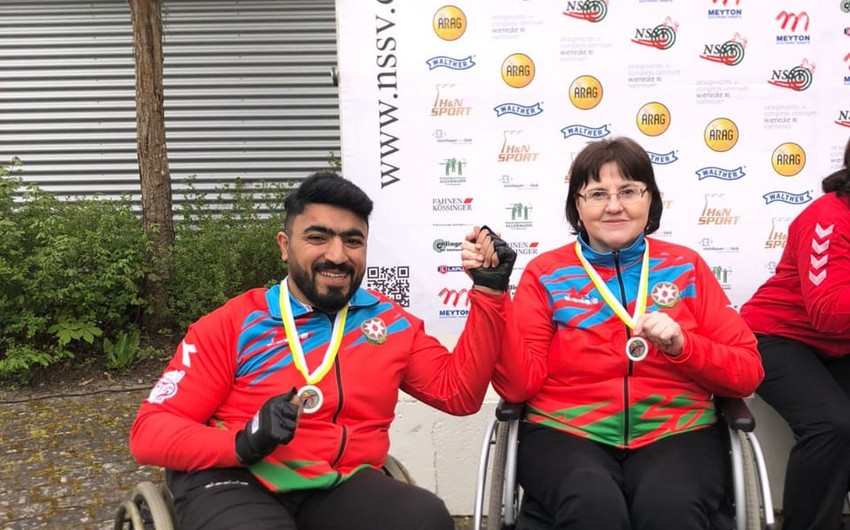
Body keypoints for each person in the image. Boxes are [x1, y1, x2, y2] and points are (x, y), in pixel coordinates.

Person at [129, 171, 516, 530]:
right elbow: (150, 432)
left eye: (353, 241)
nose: (337, 255)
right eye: (318, 238)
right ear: (285, 246)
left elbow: (459, 394)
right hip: (235, 476)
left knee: (424, 518)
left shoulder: (391, 324)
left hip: (334, 482)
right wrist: (243, 441)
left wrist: (489, 291)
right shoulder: (235, 323)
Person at [487, 136, 764, 530]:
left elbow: (747, 372)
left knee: (670, 508)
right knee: (592, 507)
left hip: (677, 430)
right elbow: (517, 387)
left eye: (629, 191)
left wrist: (683, 346)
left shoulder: (686, 267)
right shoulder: (546, 273)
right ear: (577, 205)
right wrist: (495, 298)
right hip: (566, 431)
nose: (614, 206)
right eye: (598, 194)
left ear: (650, 200)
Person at [739, 137, 850, 530]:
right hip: (776, 336)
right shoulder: (828, 217)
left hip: (836, 347)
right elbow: (829, 312)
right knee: (832, 425)